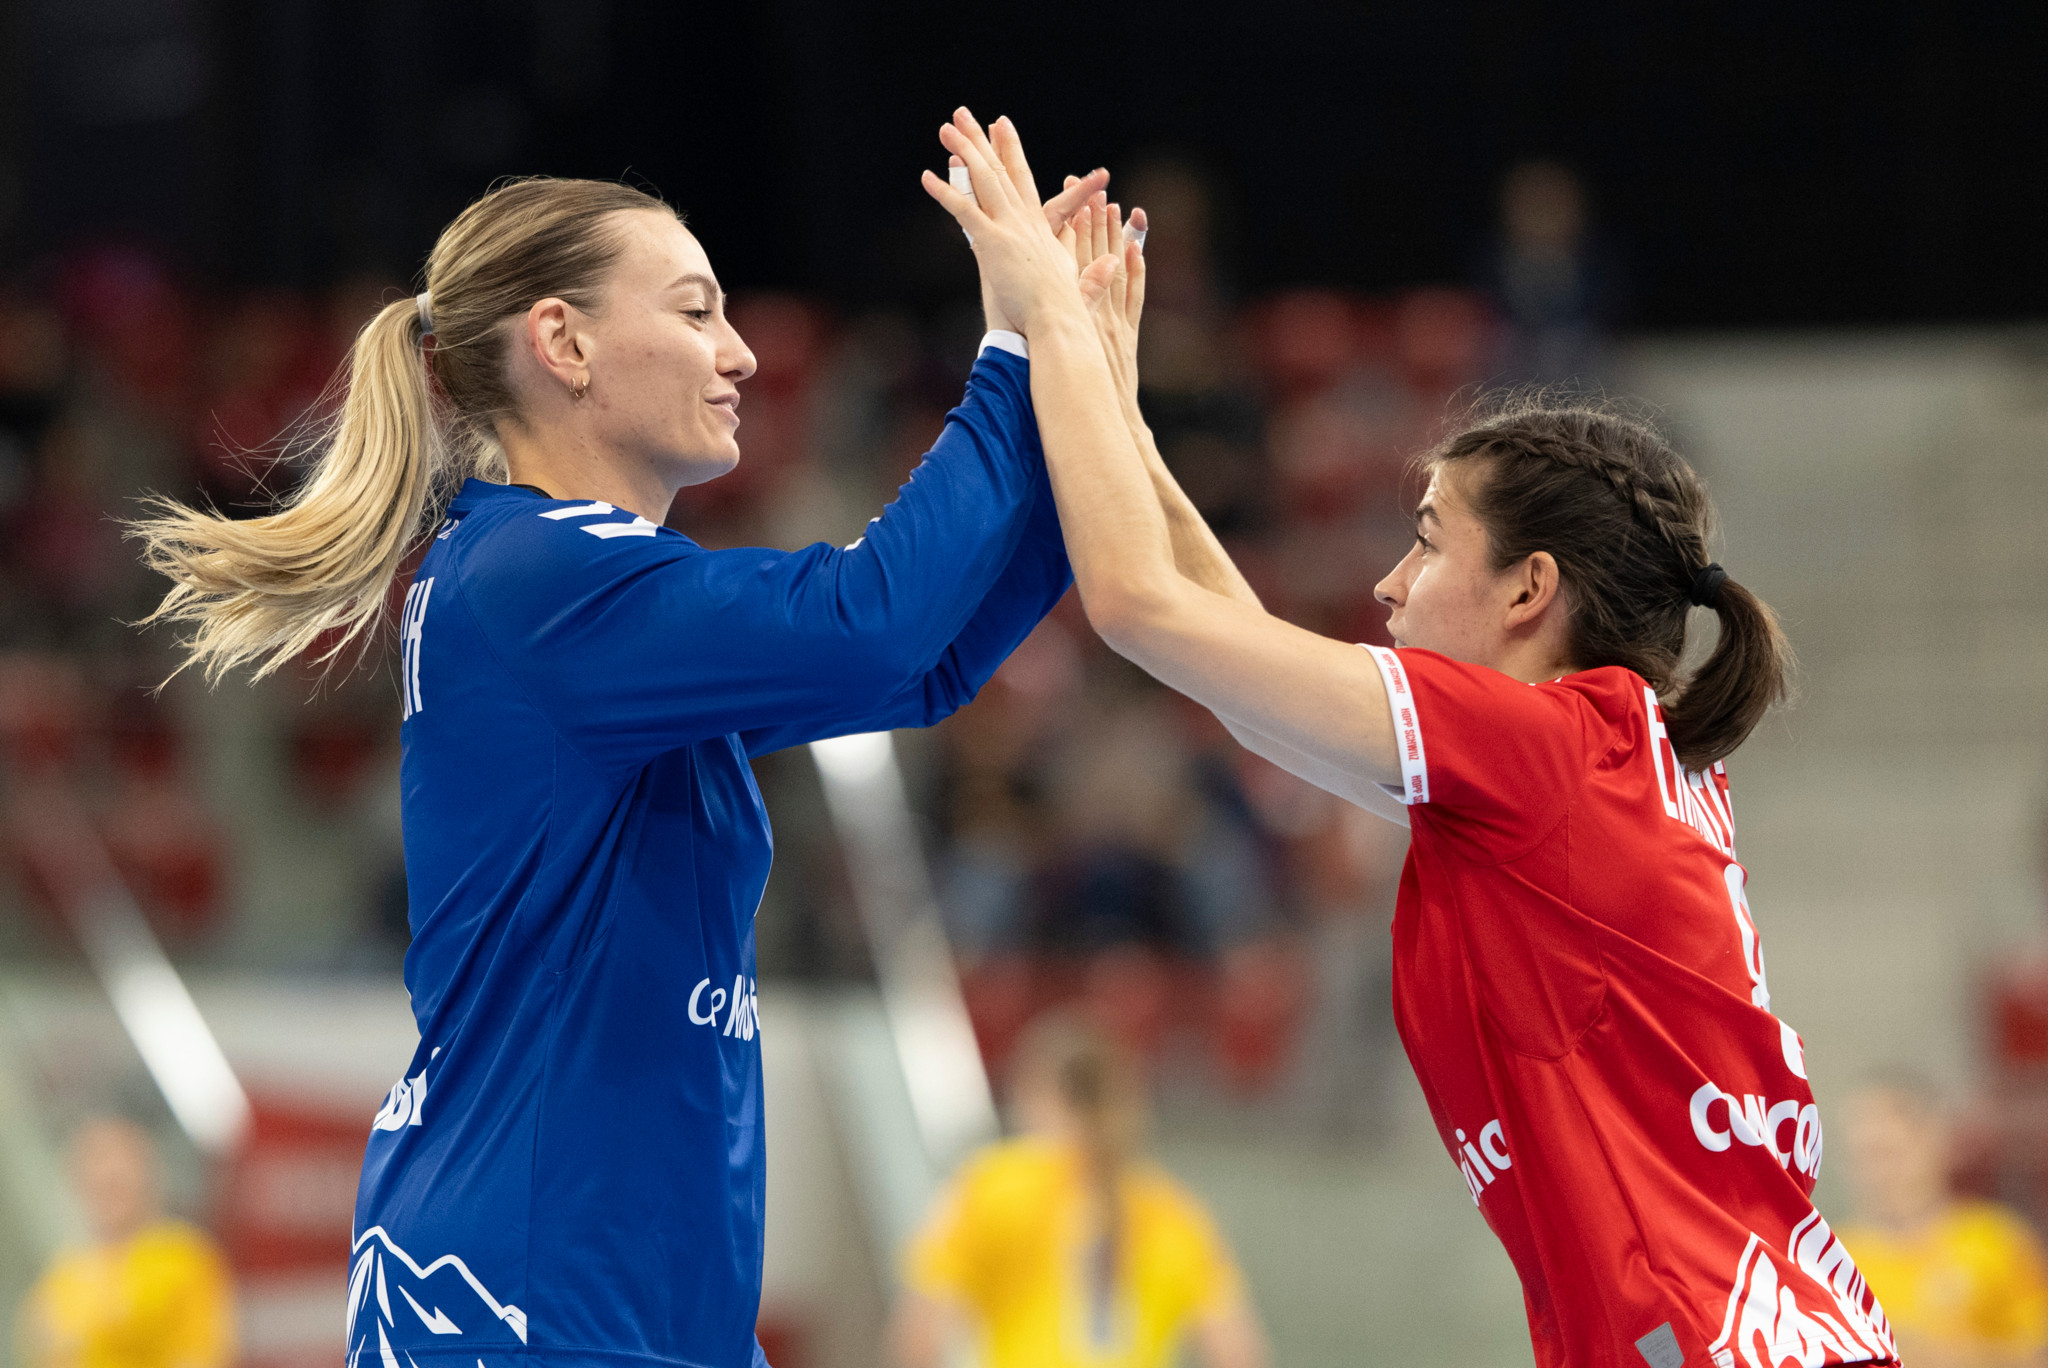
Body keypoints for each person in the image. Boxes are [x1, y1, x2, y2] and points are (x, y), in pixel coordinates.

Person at [922, 114, 1897, 1367]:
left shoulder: (1551, 747)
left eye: (1428, 539)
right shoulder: (1572, 772)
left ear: (1528, 589)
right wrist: (1121, 409)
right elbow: (1230, 666)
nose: (1386, 582)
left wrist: (1039, 321)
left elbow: (1135, 609)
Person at [131, 160, 1109, 1368]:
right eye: (696, 311)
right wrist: (1010, 354)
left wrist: (1083, 393)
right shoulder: (544, 577)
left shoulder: (565, 598)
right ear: (565, 343)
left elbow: (923, 670)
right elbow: (873, 624)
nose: (740, 354)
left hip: (628, 1303)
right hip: (520, 1302)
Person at [890, 1012, 1267, 1368]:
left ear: (1033, 1091)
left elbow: (921, 1334)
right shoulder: (1175, 1210)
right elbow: (1237, 1352)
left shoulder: (992, 1186)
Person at [1836, 1076, 2048, 1366]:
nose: (1879, 1174)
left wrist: (1931, 1355)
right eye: (1866, 1156)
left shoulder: (1997, 1240)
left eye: (1891, 1153)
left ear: (1937, 1143)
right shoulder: (1831, 1262)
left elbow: (2038, 1354)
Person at [19, 1117, 235, 1368]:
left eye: (117, 1180)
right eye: (97, 1182)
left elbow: (203, 1356)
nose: (107, 1187)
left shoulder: (184, 1258)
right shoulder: (62, 1279)